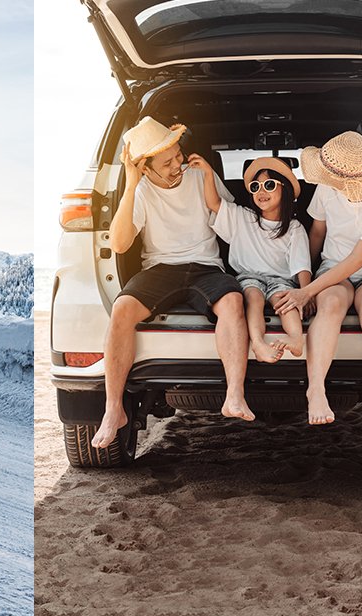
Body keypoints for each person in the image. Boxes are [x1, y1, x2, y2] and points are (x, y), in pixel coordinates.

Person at [91, 116, 254, 450]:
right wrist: (132, 185)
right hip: (160, 268)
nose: (178, 163)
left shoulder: (198, 176)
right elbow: (120, 244)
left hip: (206, 266)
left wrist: (209, 176)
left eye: (178, 155)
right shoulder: (140, 189)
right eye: (167, 162)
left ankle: (234, 396)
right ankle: (113, 410)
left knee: (233, 303)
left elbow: (229, 224)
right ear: (146, 168)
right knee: (121, 309)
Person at [272, 131, 362, 468]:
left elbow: (361, 259)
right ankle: (316, 390)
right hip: (334, 267)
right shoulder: (328, 187)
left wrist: (307, 291)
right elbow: (318, 234)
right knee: (331, 304)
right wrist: (301, 278)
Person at [192, 155, 311, 362]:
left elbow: (302, 265)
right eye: (255, 187)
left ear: (286, 191)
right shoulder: (242, 217)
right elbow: (213, 203)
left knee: (286, 303)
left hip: (281, 281)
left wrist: (305, 293)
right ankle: (258, 343)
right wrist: (208, 173)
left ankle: (296, 339)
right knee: (253, 298)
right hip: (249, 277)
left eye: (269, 185)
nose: (261, 191)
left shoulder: (294, 228)